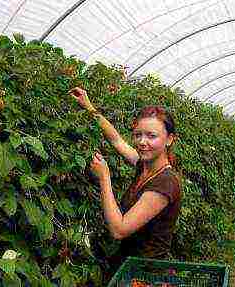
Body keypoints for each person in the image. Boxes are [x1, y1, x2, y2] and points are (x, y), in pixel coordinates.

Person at [69, 87, 182, 277]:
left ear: (169, 139)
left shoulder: (166, 183)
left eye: (151, 136)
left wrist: (104, 178)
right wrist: (88, 107)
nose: (142, 142)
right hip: (129, 265)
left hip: (145, 274)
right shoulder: (145, 165)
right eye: (138, 135)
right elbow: (116, 140)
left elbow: (119, 229)